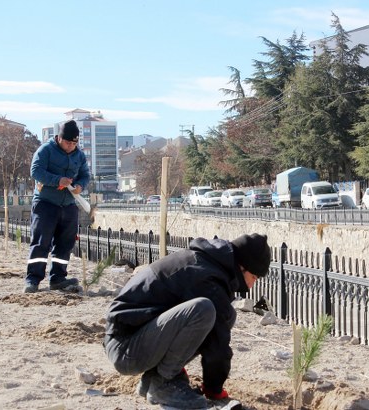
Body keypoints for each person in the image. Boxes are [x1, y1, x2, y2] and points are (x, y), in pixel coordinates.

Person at [104, 233, 271, 408]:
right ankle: (163, 384)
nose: (252, 285)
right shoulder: (206, 277)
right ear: (242, 267)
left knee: (224, 314)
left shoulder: (205, 263)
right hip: (125, 348)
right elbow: (218, 344)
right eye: (254, 277)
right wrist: (214, 389)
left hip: (130, 341)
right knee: (203, 310)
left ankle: (154, 380)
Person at [23, 120, 90, 293]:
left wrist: (81, 186)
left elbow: (85, 175)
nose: (71, 146)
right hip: (46, 204)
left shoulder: (79, 155)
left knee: (65, 243)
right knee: (41, 242)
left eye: (75, 143)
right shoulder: (45, 150)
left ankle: (58, 278)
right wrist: (57, 180)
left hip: (68, 205)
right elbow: (35, 171)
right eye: (68, 142)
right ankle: (33, 280)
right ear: (59, 138)